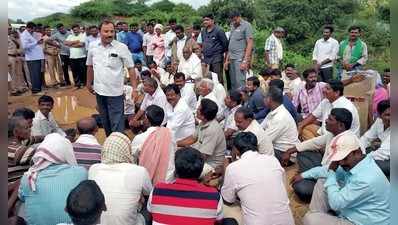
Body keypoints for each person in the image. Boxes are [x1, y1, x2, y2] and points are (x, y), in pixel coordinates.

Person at [300, 133, 390, 225]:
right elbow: (325, 170)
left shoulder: (365, 179)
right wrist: (303, 175)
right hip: (354, 211)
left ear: (357, 152)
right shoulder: (359, 163)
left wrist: (331, 172)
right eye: (338, 160)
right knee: (323, 180)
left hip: (362, 222)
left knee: (310, 219)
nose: (341, 163)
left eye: (344, 158)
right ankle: (318, 214)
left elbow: (336, 203)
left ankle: (317, 216)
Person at [222, 132, 294, 225]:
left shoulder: (233, 168)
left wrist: (225, 169)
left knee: (224, 206)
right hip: (287, 222)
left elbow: (228, 200)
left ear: (236, 150)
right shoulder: (273, 160)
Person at [286, 108, 355, 202]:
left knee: (301, 188)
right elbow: (314, 143)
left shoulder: (345, 142)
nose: (325, 121)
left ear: (340, 125)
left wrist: (304, 175)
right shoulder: (333, 134)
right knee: (303, 152)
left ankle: (317, 191)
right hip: (324, 170)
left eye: (330, 119)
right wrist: (290, 150)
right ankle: (312, 181)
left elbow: (331, 170)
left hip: (334, 182)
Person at [18, 133, 88, 225]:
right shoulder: (81, 172)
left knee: (24, 202)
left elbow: (21, 197)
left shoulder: (28, 177)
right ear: (67, 151)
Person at [86, 19, 138, 136]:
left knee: (117, 123)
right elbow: (89, 66)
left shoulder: (122, 47)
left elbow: (131, 68)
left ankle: (118, 145)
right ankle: (110, 143)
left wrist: (134, 89)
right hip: (99, 92)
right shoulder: (93, 46)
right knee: (105, 121)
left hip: (115, 93)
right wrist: (88, 83)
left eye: (112, 31)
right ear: (100, 32)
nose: (109, 34)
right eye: (106, 31)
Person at [147, 147, 225, 224]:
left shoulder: (157, 191)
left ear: (176, 170)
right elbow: (218, 221)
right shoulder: (214, 196)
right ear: (201, 171)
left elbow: (151, 214)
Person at [89, 132, 152, 225]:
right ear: (126, 150)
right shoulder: (139, 171)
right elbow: (149, 192)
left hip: (97, 222)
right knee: (148, 201)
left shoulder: (94, 169)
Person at [178, 99, 226, 177]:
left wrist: (185, 156)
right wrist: (175, 143)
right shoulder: (203, 122)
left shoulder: (212, 130)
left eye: (199, 109)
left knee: (183, 171)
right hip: (200, 156)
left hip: (211, 164)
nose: (196, 110)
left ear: (204, 116)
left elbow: (202, 156)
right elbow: (192, 138)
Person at [131, 105, 175, 184]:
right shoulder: (170, 134)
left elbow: (131, 160)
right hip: (169, 180)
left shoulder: (140, 138)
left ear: (147, 120)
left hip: (148, 183)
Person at [261, 87, 299, 164]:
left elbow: (264, 140)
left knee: (254, 153)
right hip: (276, 148)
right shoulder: (274, 111)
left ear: (269, 99)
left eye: (264, 97)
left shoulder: (280, 117)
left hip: (284, 153)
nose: (263, 100)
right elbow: (260, 128)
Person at [360, 99, 390, 178]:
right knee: (365, 151)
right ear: (379, 115)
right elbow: (366, 138)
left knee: (374, 164)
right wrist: (359, 151)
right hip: (384, 152)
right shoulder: (379, 122)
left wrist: (360, 159)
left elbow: (382, 154)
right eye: (387, 115)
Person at [225, 11, 254, 90]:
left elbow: (250, 44)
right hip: (231, 58)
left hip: (240, 59)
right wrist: (226, 60)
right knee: (233, 82)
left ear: (239, 16)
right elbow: (230, 44)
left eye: (235, 20)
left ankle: (242, 100)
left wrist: (245, 61)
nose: (233, 22)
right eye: (232, 20)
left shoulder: (247, 26)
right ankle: (236, 101)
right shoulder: (232, 26)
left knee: (240, 82)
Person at [201, 14, 228, 84]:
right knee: (209, 79)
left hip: (217, 58)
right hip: (207, 59)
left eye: (207, 20)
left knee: (217, 78)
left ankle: (221, 94)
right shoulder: (203, 31)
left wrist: (220, 54)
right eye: (204, 20)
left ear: (212, 21)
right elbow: (203, 43)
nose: (205, 22)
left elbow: (225, 45)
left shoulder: (219, 30)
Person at [8, 117, 36, 183]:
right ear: (16, 132)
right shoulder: (18, 151)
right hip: (15, 190)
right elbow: (45, 155)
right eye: (27, 128)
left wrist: (47, 136)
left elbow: (36, 138)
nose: (30, 130)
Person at [20, 21, 44, 94]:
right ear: (28, 28)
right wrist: (36, 42)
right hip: (32, 58)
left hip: (36, 57)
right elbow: (24, 46)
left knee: (37, 74)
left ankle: (38, 89)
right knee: (34, 75)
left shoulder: (31, 34)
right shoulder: (24, 35)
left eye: (33, 29)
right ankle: (35, 90)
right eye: (32, 29)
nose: (33, 31)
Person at [65, 24, 87, 88]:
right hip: (72, 57)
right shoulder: (70, 36)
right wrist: (76, 41)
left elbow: (81, 44)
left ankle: (83, 83)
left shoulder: (83, 35)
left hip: (81, 56)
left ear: (79, 29)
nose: (75, 31)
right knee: (74, 71)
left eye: (77, 30)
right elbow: (65, 43)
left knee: (82, 71)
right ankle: (77, 83)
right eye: (74, 30)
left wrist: (70, 44)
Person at [9, 24, 28, 95]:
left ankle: (19, 88)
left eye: (10, 29)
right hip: (10, 57)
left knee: (19, 74)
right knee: (12, 74)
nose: (10, 30)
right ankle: (13, 90)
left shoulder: (17, 38)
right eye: (9, 29)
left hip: (17, 57)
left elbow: (20, 48)